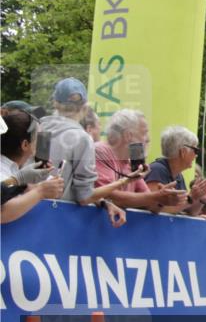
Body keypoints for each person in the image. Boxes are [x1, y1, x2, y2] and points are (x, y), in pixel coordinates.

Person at [39, 78, 129, 226]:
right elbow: (84, 196)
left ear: (55, 103)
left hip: (25, 214)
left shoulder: (37, 127)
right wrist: (124, 181)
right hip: (55, 222)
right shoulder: (82, 138)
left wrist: (104, 203)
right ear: (85, 108)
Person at [95, 109, 189, 211]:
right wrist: (156, 197)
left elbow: (150, 205)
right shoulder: (101, 151)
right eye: (144, 133)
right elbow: (110, 196)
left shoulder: (131, 162)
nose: (147, 139)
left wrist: (163, 200)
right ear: (128, 135)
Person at [1, 108, 65, 223]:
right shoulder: (3, 170)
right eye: (37, 137)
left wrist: (28, 187)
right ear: (25, 144)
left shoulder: (13, 169)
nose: (41, 141)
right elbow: (2, 212)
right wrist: (41, 191)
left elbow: (8, 188)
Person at [145, 125, 206, 215]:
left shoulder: (178, 176)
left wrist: (201, 199)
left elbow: (189, 211)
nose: (196, 155)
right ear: (183, 152)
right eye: (195, 150)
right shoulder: (157, 170)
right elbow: (155, 208)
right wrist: (191, 197)